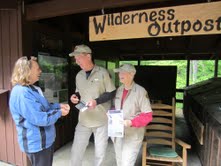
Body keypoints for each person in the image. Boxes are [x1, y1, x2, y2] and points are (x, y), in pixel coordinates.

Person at [9, 56, 70, 166]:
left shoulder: (31, 88)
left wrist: (58, 106)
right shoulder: (22, 93)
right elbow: (40, 118)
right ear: (27, 71)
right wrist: (60, 112)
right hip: (37, 144)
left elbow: (44, 107)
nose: (40, 71)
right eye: (37, 69)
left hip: (44, 142)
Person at [69, 44, 116, 166]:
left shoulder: (103, 73)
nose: (76, 60)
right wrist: (75, 97)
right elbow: (79, 92)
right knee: (76, 151)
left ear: (88, 56)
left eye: (78, 57)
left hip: (101, 120)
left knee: (99, 154)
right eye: (75, 58)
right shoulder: (79, 75)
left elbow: (111, 92)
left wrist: (97, 101)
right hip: (84, 120)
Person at [112, 63, 153, 166]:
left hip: (133, 134)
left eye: (123, 72)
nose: (120, 74)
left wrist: (131, 122)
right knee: (119, 161)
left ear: (132, 74)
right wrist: (111, 115)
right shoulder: (118, 90)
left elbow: (148, 116)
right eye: (119, 72)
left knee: (127, 163)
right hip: (117, 132)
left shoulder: (141, 91)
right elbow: (115, 107)